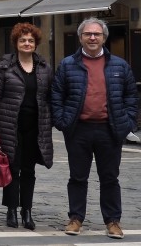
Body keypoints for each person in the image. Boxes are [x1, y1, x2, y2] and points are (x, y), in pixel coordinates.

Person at [52, 18, 138, 239]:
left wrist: (128, 121)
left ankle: (112, 221)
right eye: (88, 34)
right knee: (78, 177)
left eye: (96, 34)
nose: (92, 38)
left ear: (104, 38)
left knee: (110, 178)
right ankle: (76, 219)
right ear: (80, 37)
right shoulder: (68, 64)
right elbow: (56, 95)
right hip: (78, 129)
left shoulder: (120, 65)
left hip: (109, 130)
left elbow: (131, 96)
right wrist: (62, 121)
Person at [0, 22, 54, 230]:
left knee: (29, 170)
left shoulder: (44, 68)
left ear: (36, 44)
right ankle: (12, 209)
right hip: (9, 125)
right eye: (22, 40)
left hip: (36, 126)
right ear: (16, 43)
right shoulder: (5, 66)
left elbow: (49, 97)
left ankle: (27, 210)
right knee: (12, 168)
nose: (27, 43)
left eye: (30, 40)